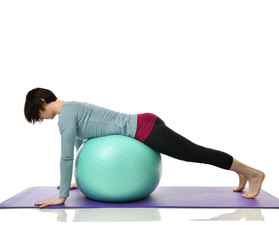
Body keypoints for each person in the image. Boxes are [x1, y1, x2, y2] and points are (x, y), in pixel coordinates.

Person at [24, 88, 265, 208]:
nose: (42, 118)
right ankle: (241, 172)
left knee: (194, 153)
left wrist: (62, 195)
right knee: (195, 152)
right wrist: (82, 179)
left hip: (145, 129)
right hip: (144, 123)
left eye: (39, 114)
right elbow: (79, 142)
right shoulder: (72, 106)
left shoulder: (65, 116)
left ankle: (253, 173)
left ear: (43, 103)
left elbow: (66, 157)